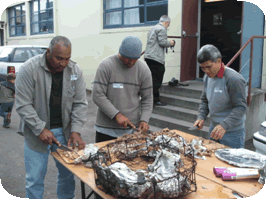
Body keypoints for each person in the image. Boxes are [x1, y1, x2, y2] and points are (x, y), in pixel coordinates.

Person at [15, 36, 88, 199]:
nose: (63, 63)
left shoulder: (75, 71)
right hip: (35, 133)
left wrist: (76, 131)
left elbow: (80, 103)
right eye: (59, 58)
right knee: (35, 179)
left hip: (65, 132)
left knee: (67, 176)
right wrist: (40, 128)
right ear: (48, 52)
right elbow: (22, 104)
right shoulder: (29, 69)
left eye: (67, 59)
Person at [92, 35, 153, 198]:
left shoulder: (143, 70)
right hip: (106, 130)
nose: (130, 63)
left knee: (129, 174)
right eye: (127, 59)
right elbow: (97, 95)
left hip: (130, 134)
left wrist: (144, 119)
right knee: (104, 173)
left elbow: (148, 99)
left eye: (134, 59)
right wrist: (116, 114)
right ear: (120, 53)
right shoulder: (106, 65)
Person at [193, 44, 247, 148]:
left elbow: (241, 107)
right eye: (202, 68)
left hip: (232, 133)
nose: (206, 71)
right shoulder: (207, 77)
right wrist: (201, 116)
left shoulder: (233, 79)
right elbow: (205, 100)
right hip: (214, 129)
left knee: (231, 164)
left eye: (208, 67)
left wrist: (224, 125)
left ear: (218, 61)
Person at [144, 15, 175, 106]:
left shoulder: (153, 28)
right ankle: (155, 100)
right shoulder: (162, 29)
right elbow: (162, 42)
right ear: (166, 22)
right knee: (157, 78)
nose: (167, 27)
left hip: (149, 56)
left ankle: (149, 99)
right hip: (156, 57)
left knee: (152, 78)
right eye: (168, 25)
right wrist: (171, 43)